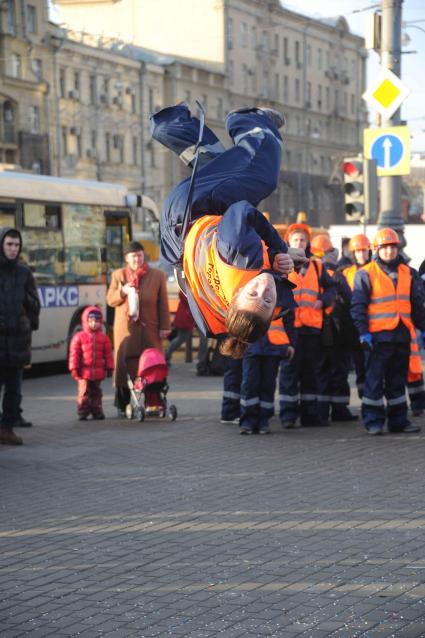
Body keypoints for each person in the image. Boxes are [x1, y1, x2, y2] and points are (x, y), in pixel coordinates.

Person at [150, 104, 301, 359]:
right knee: (216, 163)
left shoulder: (242, 257)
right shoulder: (219, 320)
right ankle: (169, 127)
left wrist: (279, 247)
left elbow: (242, 210)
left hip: (197, 206)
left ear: (239, 294)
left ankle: (247, 120)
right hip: (176, 236)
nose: (264, 289)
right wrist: (276, 268)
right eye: (267, 300)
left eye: (254, 294)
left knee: (260, 175)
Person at [351, 227, 425, 435]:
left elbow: (416, 305)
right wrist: (363, 332)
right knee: (374, 381)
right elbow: (358, 307)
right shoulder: (365, 274)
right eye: (385, 248)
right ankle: (373, 421)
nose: (389, 252)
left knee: (397, 381)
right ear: (377, 249)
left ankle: (398, 421)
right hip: (377, 338)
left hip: (401, 335)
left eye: (393, 248)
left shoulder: (408, 273)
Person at [278, 223, 337, 428]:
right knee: (289, 373)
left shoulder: (317, 267)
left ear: (308, 244)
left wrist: (324, 300)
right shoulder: (282, 267)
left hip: (312, 329)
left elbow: (332, 288)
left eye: (302, 240)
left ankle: (310, 415)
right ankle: (288, 416)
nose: (299, 243)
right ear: (289, 243)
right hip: (290, 329)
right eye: (296, 240)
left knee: (311, 373)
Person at [106, 241, 171, 415]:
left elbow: (163, 304)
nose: (137, 259)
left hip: (150, 329)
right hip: (126, 331)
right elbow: (110, 299)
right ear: (127, 258)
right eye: (133, 256)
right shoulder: (118, 275)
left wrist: (165, 326)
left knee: (152, 364)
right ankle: (122, 403)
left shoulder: (157, 275)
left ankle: (153, 402)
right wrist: (123, 292)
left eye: (140, 255)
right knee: (123, 367)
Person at [310, 235, 357, 423]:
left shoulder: (310, 273)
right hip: (336, 331)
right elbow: (349, 298)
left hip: (317, 330)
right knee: (338, 370)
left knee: (320, 370)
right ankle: (339, 410)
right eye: (331, 252)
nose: (334, 255)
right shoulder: (337, 275)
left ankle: (321, 411)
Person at [0, 228, 40, 445]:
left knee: (14, 390)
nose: (13, 249)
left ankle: (6, 428)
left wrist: (28, 319)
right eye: (9, 244)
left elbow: (35, 305)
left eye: (16, 245)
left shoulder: (24, 273)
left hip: (17, 341)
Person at [239, 311, 296, 435]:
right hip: (253, 345)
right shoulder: (246, 292)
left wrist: (291, 343)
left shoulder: (282, 294)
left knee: (267, 386)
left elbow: (289, 319)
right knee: (249, 384)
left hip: (272, 347)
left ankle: (263, 421)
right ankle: (248, 421)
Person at [68, 306, 114, 420]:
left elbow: (108, 355)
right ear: (86, 321)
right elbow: (74, 355)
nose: (94, 324)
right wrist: (74, 368)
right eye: (91, 321)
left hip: (97, 372)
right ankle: (83, 411)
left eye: (97, 321)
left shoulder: (104, 338)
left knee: (96, 393)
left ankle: (97, 410)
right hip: (84, 373)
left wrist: (109, 367)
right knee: (84, 393)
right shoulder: (79, 337)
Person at [342, 234, 372, 399]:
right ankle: (363, 395)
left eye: (364, 250)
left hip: (372, 323)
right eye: (358, 251)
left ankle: (370, 396)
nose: (361, 254)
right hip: (353, 325)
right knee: (359, 363)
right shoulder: (346, 272)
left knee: (371, 362)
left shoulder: (375, 270)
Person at [165, 291, 194, 365]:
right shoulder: (188, 292)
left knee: (181, 338)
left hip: (183, 317)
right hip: (185, 318)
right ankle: (166, 355)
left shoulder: (184, 291)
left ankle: (167, 355)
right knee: (181, 338)